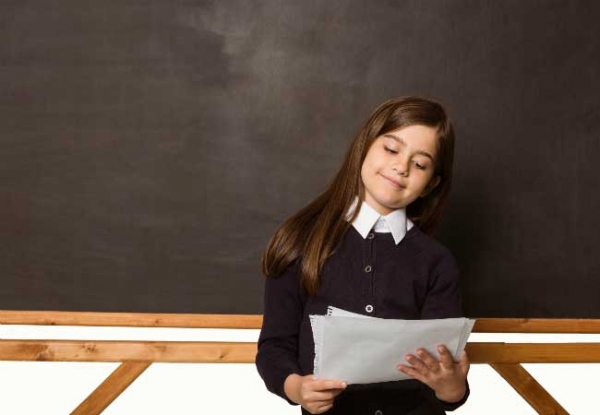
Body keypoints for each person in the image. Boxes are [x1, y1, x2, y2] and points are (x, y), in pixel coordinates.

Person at [256, 96, 470, 415]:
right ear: (365, 146)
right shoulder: (301, 241)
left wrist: (452, 388)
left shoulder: (437, 262)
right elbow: (274, 347)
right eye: (391, 149)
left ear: (430, 184)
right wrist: (298, 388)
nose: (401, 167)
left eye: (420, 164)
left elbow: (447, 379)